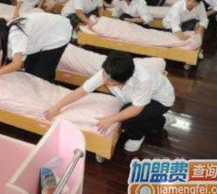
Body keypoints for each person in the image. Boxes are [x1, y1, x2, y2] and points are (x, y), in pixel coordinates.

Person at [44, 51, 175, 152]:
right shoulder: (109, 72)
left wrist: (111, 119)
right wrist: (57, 107)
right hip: (139, 98)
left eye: (111, 81)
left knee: (129, 118)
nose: (105, 81)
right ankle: (157, 119)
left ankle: (138, 136)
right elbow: (81, 91)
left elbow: (136, 109)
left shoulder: (143, 80)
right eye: (104, 76)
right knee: (127, 112)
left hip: (160, 100)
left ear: (125, 79)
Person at [0, 13, 72, 83]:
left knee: (42, 74)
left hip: (58, 33)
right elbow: (3, 55)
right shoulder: (3, 34)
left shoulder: (15, 34)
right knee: (30, 69)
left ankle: (48, 97)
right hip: (41, 37)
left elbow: (16, 64)